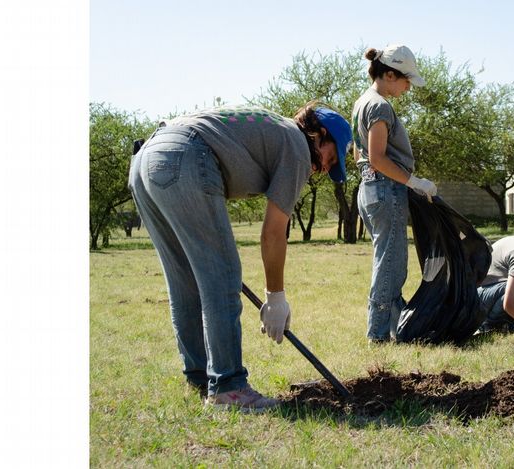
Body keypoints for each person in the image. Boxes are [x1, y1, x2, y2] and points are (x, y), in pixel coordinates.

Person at [128, 102, 352, 412]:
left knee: (186, 282)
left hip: (146, 160)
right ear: (320, 135)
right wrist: (275, 297)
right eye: (332, 156)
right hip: (183, 155)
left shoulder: (276, 130)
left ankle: (201, 378)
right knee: (222, 277)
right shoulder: (298, 146)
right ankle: (228, 388)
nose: (327, 168)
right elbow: (274, 232)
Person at [352, 44, 438, 343]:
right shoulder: (379, 106)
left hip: (370, 188)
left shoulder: (362, 102)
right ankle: (377, 334)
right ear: (390, 75)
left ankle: (395, 328)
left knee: (389, 260)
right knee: (390, 262)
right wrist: (413, 181)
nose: (408, 88)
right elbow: (377, 157)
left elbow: (358, 155)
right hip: (385, 189)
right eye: (406, 81)